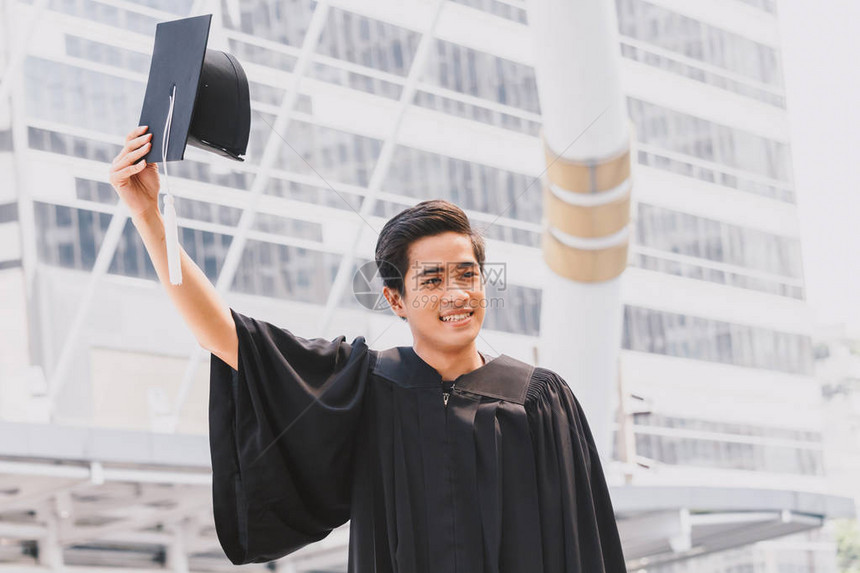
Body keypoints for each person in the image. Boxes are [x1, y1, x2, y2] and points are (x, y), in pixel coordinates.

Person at [110, 126, 628, 572]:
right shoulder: (365, 385)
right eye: (432, 279)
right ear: (395, 299)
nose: (455, 294)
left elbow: (585, 546)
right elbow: (225, 335)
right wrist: (149, 219)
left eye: (468, 275)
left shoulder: (539, 399)